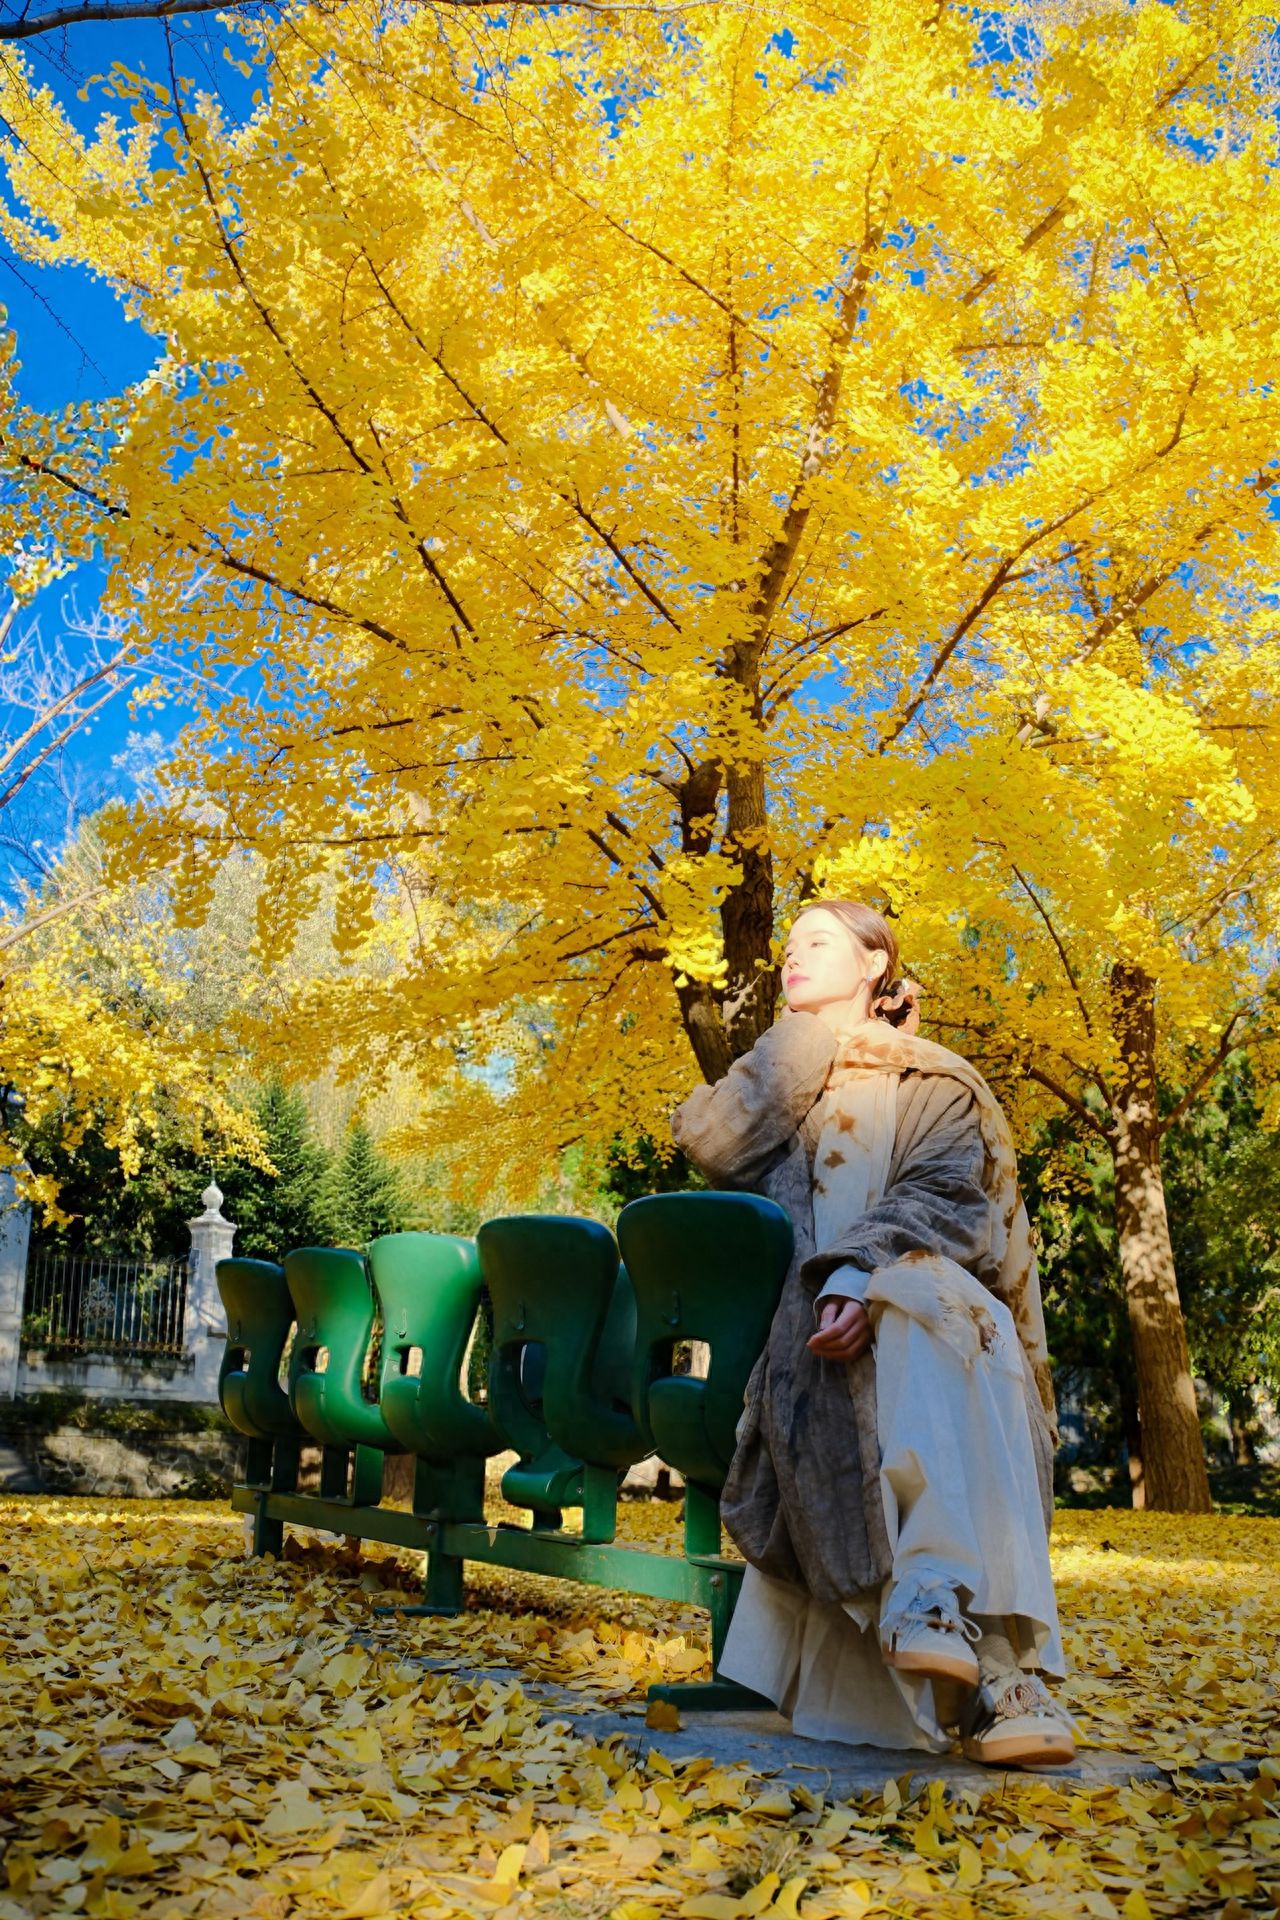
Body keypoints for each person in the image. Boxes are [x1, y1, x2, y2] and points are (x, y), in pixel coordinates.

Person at [671, 900, 1076, 1768]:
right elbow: (712, 1141)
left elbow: (947, 1200)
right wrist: (802, 1040)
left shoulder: (934, 1079)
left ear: (875, 964)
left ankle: (955, 1622)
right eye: (787, 947)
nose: (791, 958)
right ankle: (999, 1677)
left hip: (934, 1331)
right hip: (796, 1355)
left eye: (818, 942)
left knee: (934, 1302)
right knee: (910, 1324)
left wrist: (858, 1273)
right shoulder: (779, 1081)